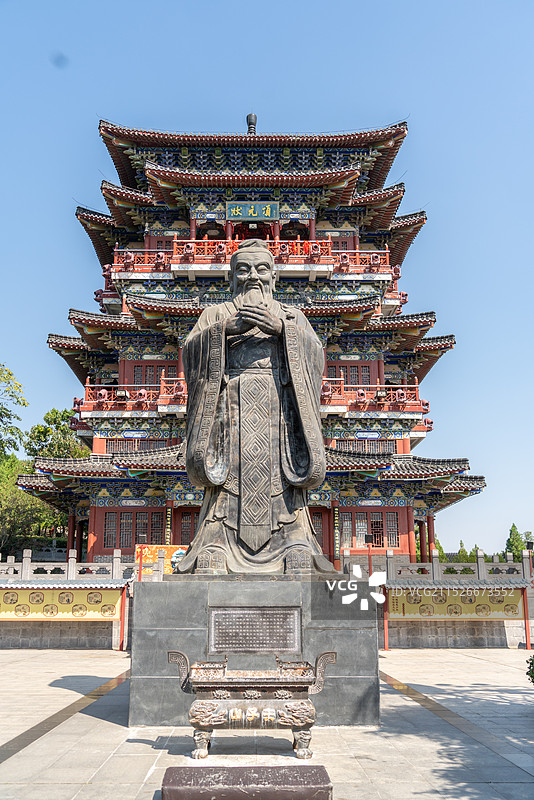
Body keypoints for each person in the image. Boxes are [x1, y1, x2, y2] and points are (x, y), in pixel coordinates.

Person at [177, 239, 333, 574]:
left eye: (262, 269)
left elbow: (316, 358)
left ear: (274, 277)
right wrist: (222, 332)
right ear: (231, 278)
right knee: (226, 483)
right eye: (243, 270)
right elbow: (191, 355)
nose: (253, 277)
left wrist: (283, 332)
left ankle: (293, 540)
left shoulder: (292, 316)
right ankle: (216, 541)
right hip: (228, 412)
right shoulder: (214, 314)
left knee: (282, 482)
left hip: (280, 411)